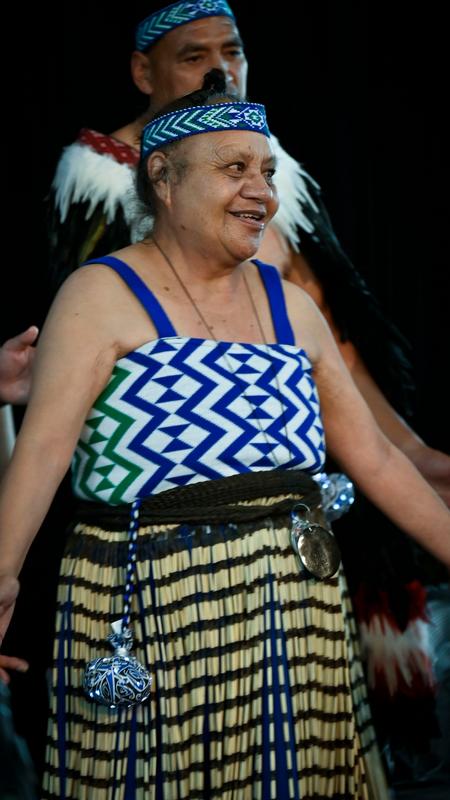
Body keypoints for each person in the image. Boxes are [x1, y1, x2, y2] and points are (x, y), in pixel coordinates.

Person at [1, 74, 450, 800]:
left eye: (268, 171)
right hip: (155, 621)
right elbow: (44, 454)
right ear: (165, 180)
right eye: (235, 169)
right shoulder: (99, 295)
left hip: (299, 625)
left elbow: (376, 460)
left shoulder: (294, 308)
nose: (261, 191)